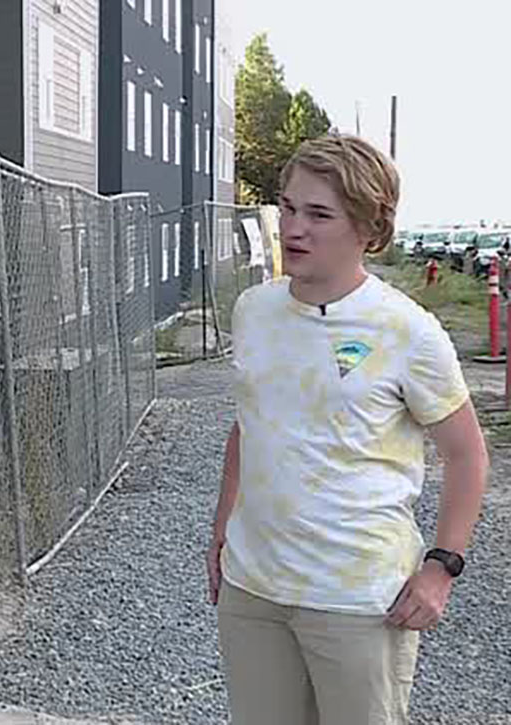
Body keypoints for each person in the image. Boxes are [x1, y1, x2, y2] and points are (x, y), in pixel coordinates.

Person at [207, 135, 488, 725]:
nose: (294, 229)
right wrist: (221, 533)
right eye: (288, 207)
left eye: (318, 214)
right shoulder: (254, 311)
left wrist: (441, 567)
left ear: (368, 227)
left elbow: (466, 456)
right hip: (253, 589)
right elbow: (249, 426)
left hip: (358, 600)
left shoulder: (408, 332)